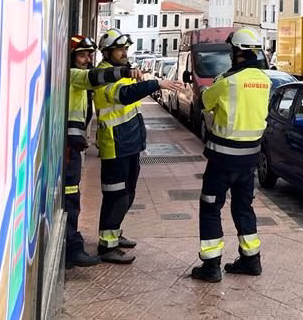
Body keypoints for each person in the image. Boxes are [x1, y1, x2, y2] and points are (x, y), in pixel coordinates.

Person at [92, 28, 182, 264]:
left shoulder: (117, 71)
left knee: (128, 193)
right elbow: (124, 95)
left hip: (129, 143)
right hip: (115, 144)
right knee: (116, 195)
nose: (124, 54)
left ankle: (115, 232)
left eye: (125, 50)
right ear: (108, 52)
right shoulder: (103, 74)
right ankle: (107, 245)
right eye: (120, 50)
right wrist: (156, 83)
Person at [191, 28, 272, 282]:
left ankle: (211, 265)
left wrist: (211, 87)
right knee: (243, 207)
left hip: (222, 159)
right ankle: (251, 260)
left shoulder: (227, 82)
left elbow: (204, 101)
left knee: (211, 207)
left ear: (236, 52)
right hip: (249, 160)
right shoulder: (265, 81)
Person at [64, 35, 134, 268]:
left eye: (89, 55)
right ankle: (72, 249)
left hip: (72, 148)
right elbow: (93, 77)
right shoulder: (72, 75)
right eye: (82, 55)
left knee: (72, 198)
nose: (87, 59)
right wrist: (121, 73)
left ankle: (73, 246)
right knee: (70, 199)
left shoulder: (76, 79)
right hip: (67, 150)